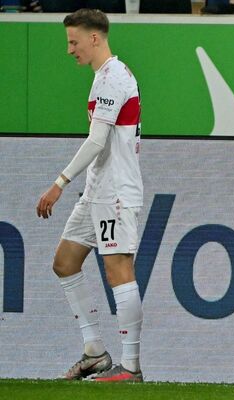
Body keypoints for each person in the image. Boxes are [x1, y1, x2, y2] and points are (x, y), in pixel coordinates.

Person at [36, 8, 144, 383]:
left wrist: (59, 182)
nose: (70, 50)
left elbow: (98, 140)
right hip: (98, 189)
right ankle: (95, 352)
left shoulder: (113, 77)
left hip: (116, 191)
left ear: (94, 38)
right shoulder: (103, 77)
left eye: (73, 41)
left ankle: (130, 367)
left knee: (119, 271)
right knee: (65, 262)